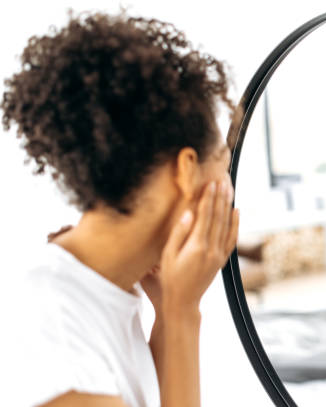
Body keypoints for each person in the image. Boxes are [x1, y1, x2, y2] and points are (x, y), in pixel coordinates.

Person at [1, 11, 239, 407]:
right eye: (223, 161)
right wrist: (181, 315)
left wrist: (168, 313)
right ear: (185, 170)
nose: (230, 188)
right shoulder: (54, 331)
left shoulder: (101, 291)